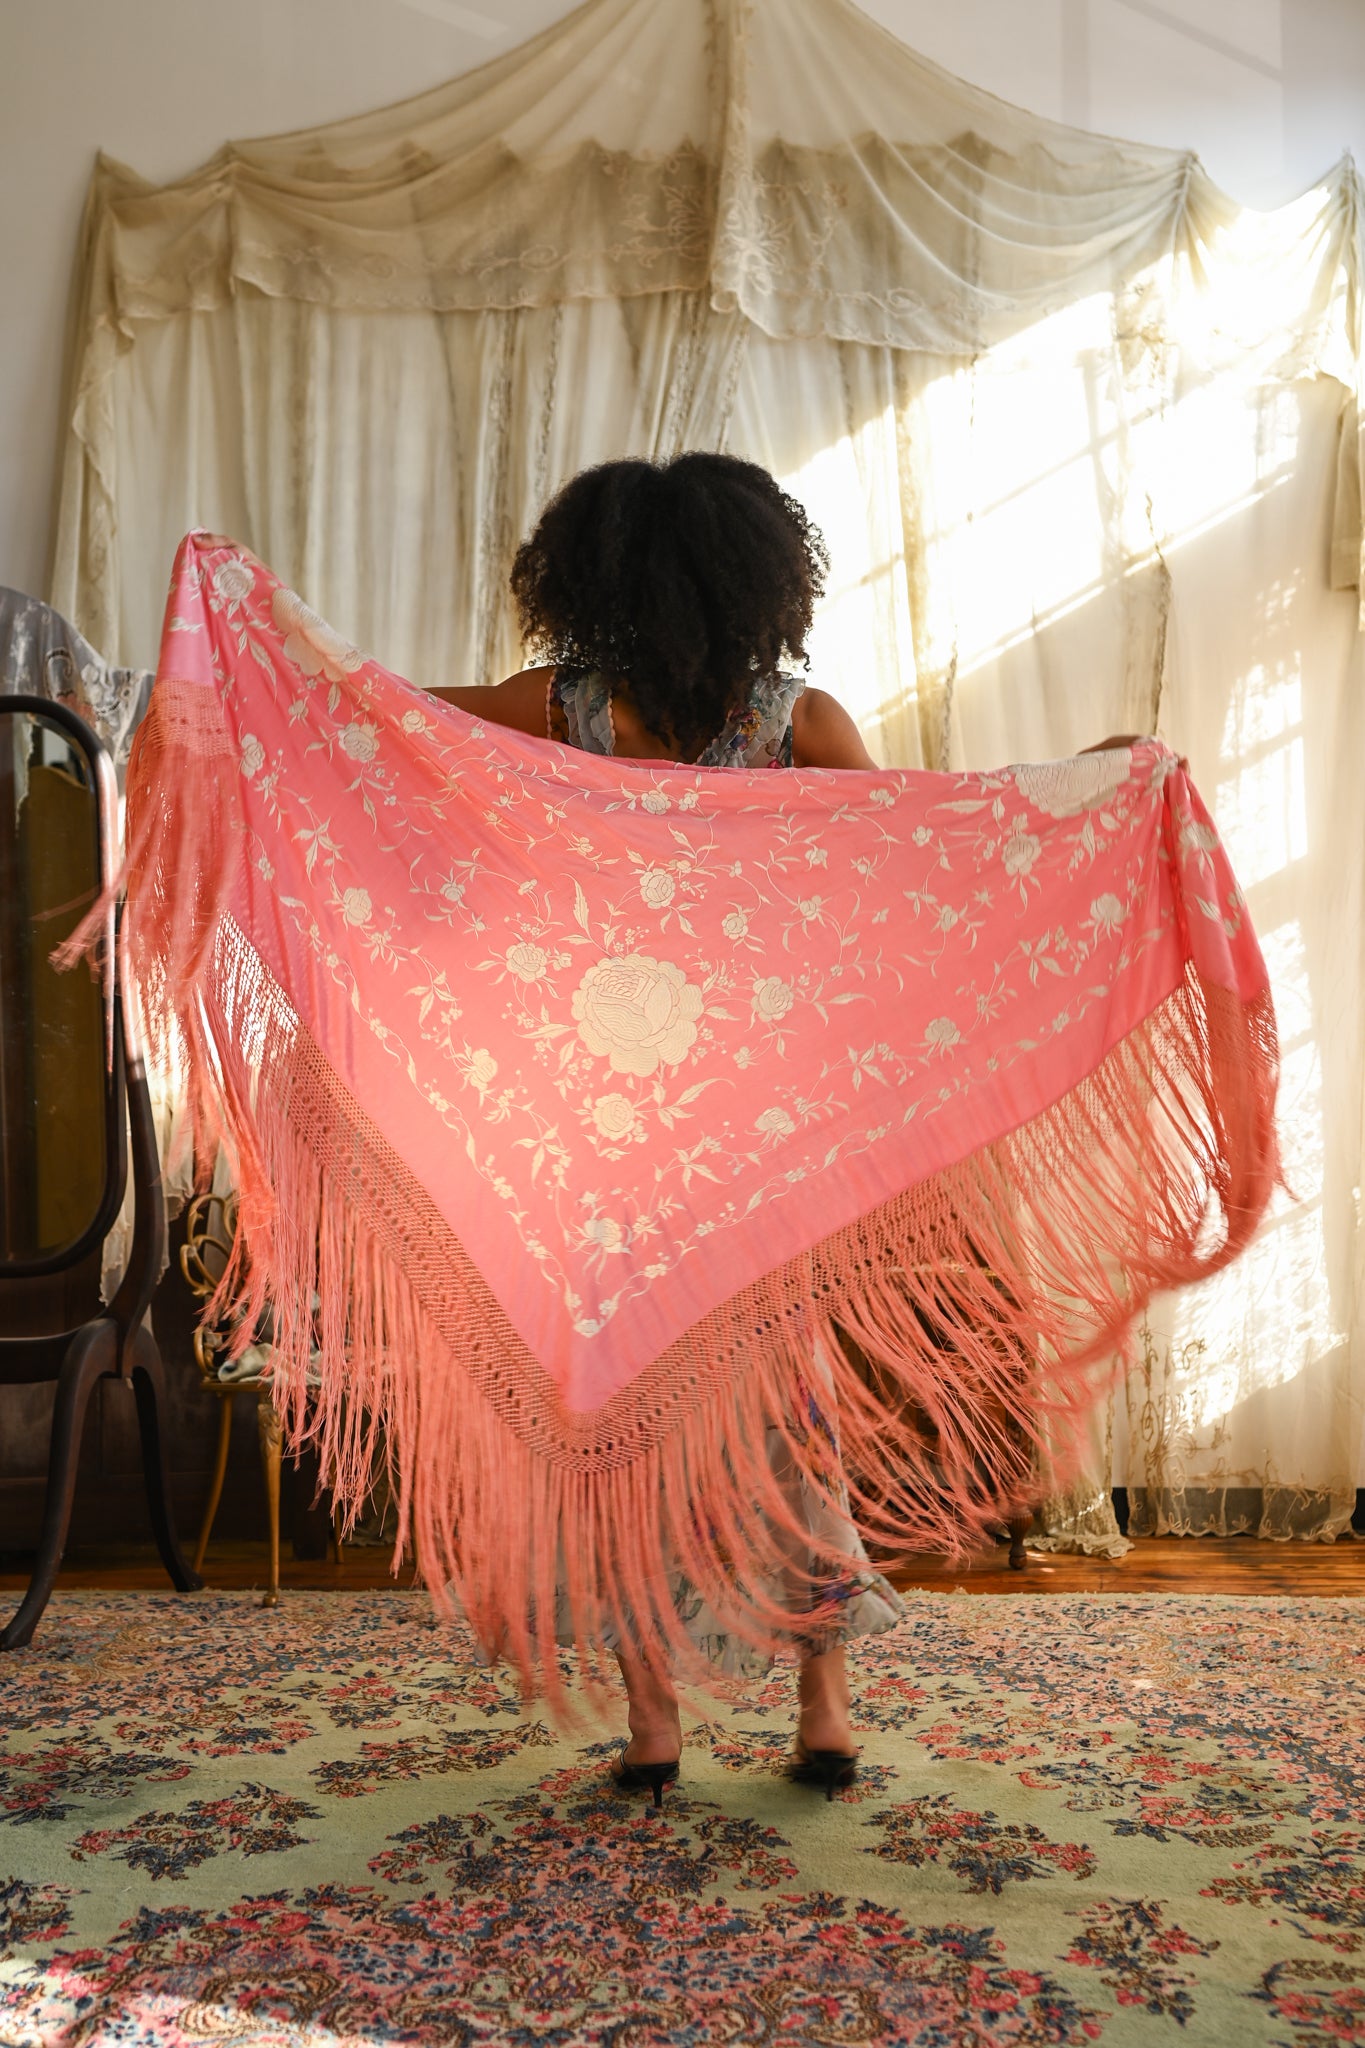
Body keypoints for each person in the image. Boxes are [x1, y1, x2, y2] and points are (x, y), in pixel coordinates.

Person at [430, 450, 1138, 1804]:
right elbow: (920, 864)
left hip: (616, 1123)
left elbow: (376, 724)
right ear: (759, 579)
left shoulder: (559, 710)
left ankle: (653, 1732)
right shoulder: (791, 720)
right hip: (759, 1135)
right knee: (790, 1418)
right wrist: (1084, 800)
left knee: (625, 1424)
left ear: (588, 580)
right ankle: (822, 1710)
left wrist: (258, 647)